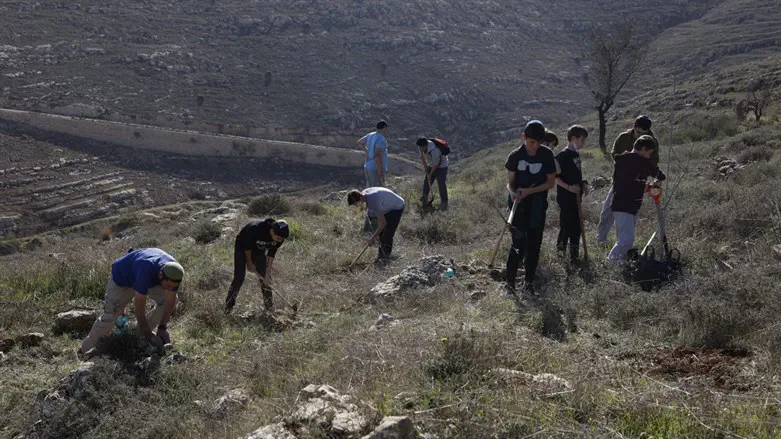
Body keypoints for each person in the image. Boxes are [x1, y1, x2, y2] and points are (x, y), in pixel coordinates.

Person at [80, 248, 184, 353]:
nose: (169, 289)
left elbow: (170, 300)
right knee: (111, 315)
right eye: (168, 286)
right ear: (161, 275)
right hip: (122, 279)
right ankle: (86, 349)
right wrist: (149, 334)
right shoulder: (146, 269)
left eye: (173, 287)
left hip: (146, 276)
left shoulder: (174, 272)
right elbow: (139, 310)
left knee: (172, 300)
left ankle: (137, 335)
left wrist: (162, 328)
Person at [503, 120, 557, 296]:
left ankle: (528, 283)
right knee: (518, 243)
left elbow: (550, 182)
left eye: (538, 143)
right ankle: (509, 283)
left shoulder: (547, 155)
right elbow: (510, 184)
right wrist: (514, 193)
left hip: (537, 205)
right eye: (531, 142)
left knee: (534, 244)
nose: (534, 146)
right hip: (518, 205)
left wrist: (530, 191)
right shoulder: (514, 156)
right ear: (524, 137)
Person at [596, 115, 658, 245]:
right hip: (620, 180)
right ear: (633, 126)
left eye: (643, 133)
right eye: (638, 132)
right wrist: (623, 157)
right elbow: (614, 155)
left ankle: (624, 242)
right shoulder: (623, 137)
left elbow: (653, 162)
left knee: (630, 212)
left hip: (637, 183)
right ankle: (601, 239)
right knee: (608, 209)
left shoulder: (651, 141)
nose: (639, 135)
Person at [607, 135, 666, 263]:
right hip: (626, 205)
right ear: (643, 149)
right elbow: (659, 175)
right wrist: (656, 180)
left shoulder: (623, 160)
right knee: (626, 241)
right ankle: (612, 263)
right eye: (649, 153)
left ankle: (619, 263)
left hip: (620, 203)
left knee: (623, 239)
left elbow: (629, 182)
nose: (649, 157)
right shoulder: (639, 161)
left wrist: (644, 186)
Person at [225, 218, 289, 313]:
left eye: (282, 239)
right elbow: (247, 248)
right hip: (242, 247)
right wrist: (249, 263)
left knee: (266, 279)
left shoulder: (280, 237)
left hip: (258, 250)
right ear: (272, 231)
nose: (280, 241)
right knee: (239, 277)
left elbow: (271, 254)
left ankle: (269, 308)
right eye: (279, 238)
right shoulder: (255, 229)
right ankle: (228, 307)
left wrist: (267, 274)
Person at [555, 125, 589, 262]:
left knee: (577, 226)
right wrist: (568, 187)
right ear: (573, 138)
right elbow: (555, 178)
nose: (583, 143)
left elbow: (576, 174)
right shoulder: (562, 156)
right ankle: (560, 254)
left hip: (576, 197)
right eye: (582, 140)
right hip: (565, 198)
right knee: (566, 226)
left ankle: (574, 256)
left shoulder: (576, 154)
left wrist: (583, 183)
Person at [347, 187, 405, 261]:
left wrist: (373, 237)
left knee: (387, 234)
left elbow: (382, 223)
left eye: (356, 204)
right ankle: (381, 256)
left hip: (397, 207)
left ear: (361, 197)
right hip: (387, 206)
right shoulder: (364, 194)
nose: (357, 206)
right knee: (381, 233)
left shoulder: (373, 201)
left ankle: (385, 259)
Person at [357, 121, 389, 232]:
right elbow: (378, 156)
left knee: (368, 191)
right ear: (384, 128)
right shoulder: (381, 139)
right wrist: (380, 172)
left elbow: (359, 142)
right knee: (376, 194)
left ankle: (367, 215)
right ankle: (372, 219)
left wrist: (367, 153)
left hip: (367, 166)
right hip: (375, 169)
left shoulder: (370, 135)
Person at [417, 137, 449, 210]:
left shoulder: (434, 149)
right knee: (426, 184)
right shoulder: (420, 146)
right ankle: (424, 203)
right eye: (419, 147)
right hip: (432, 164)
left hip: (442, 166)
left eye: (421, 148)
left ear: (425, 146)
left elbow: (437, 164)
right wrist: (426, 169)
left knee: (441, 184)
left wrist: (430, 174)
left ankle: (444, 203)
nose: (420, 149)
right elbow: (422, 157)